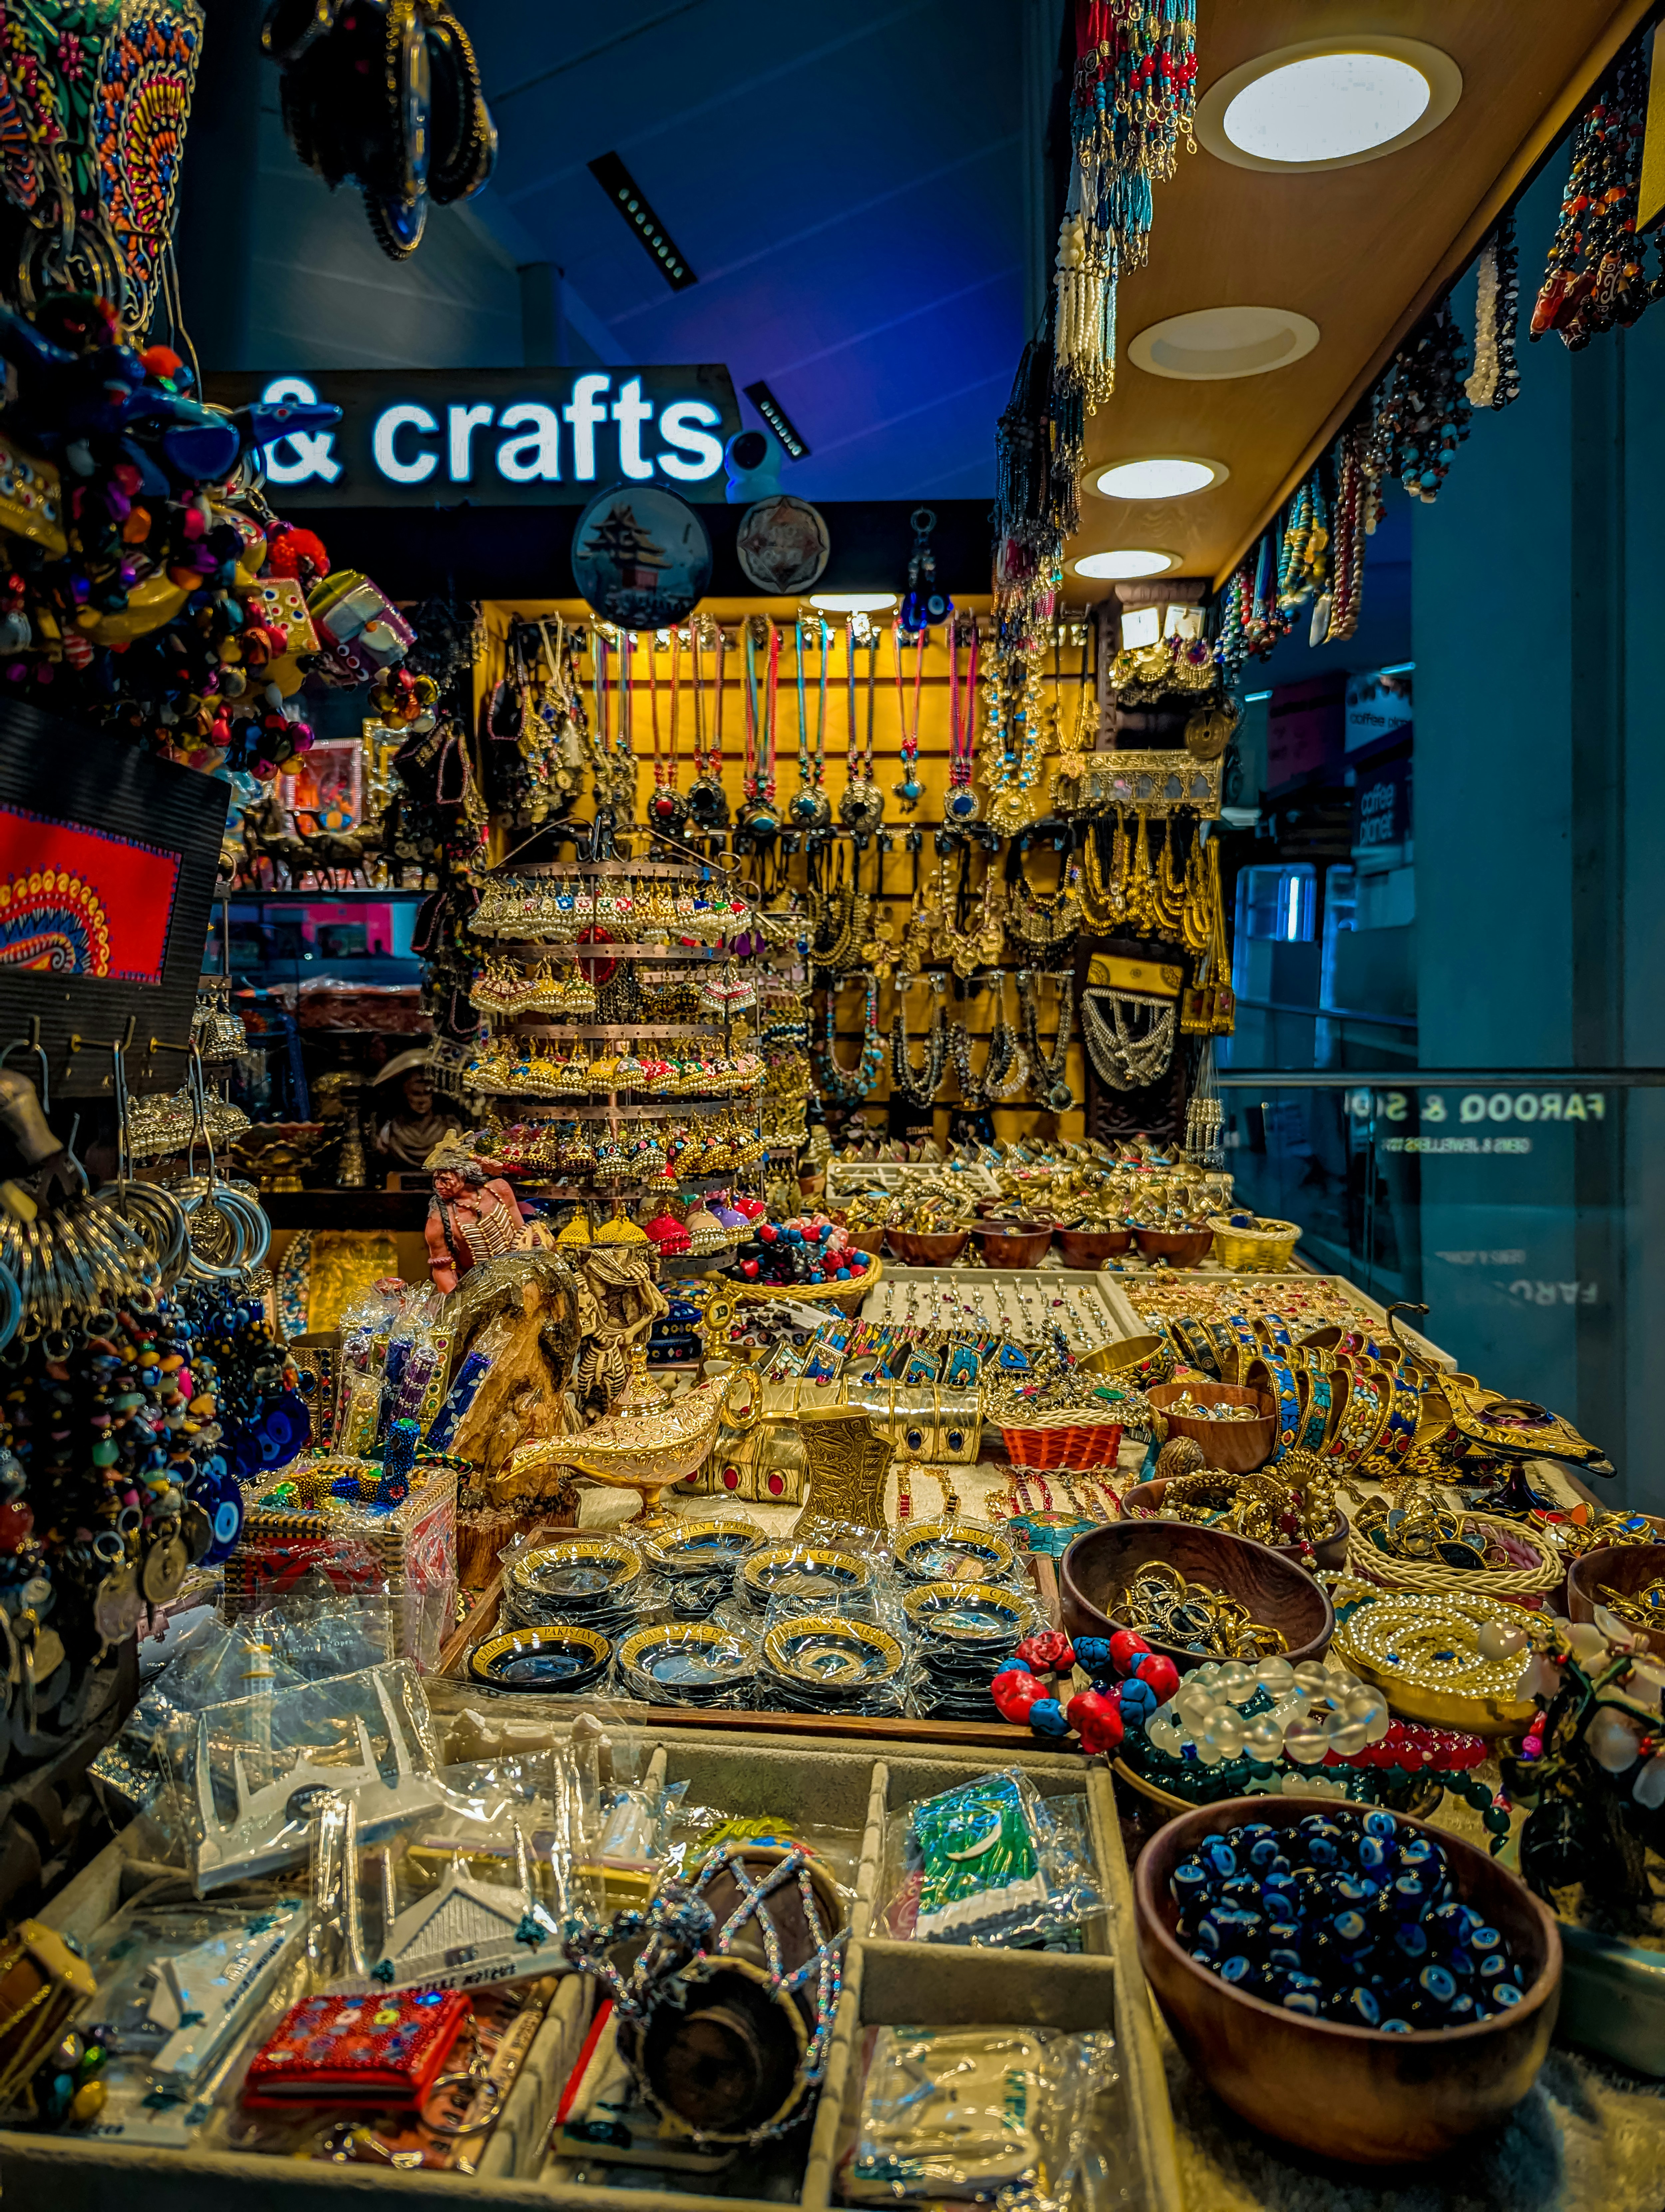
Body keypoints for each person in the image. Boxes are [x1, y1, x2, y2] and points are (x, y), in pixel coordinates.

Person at [423, 1143, 529, 1292]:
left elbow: (522, 1233)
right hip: (479, 1292)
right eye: (436, 1180)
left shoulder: (499, 1189)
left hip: (522, 1279)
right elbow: (442, 1271)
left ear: (463, 1175)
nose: (439, 1186)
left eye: (445, 1180)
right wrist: (457, 1307)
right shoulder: (439, 1219)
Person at [372, 1050, 462, 1172]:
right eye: (416, 1094)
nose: (422, 1100)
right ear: (404, 1093)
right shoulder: (389, 1133)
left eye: (427, 1093)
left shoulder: (451, 1128)